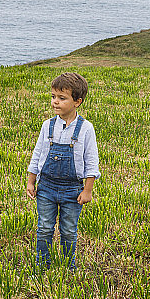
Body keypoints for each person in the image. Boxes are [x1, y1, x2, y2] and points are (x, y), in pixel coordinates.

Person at [27, 72, 100, 271]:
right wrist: (31, 181)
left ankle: (69, 266)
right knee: (44, 228)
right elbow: (38, 155)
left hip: (72, 191)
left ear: (77, 101)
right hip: (47, 188)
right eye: (53, 97)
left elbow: (91, 162)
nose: (55, 102)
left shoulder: (86, 129)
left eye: (61, 98)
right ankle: (42, 265)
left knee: (68, 231)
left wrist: (87, 190)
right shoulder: (47, 126)